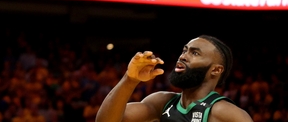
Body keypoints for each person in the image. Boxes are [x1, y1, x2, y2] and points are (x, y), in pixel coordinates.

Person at [96, 36, 252, 122]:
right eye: (184, 51)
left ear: (216, 70)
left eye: (195, 53)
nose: (183, 56)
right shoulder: (161, 103)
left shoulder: (226, 113)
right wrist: (129, 80)